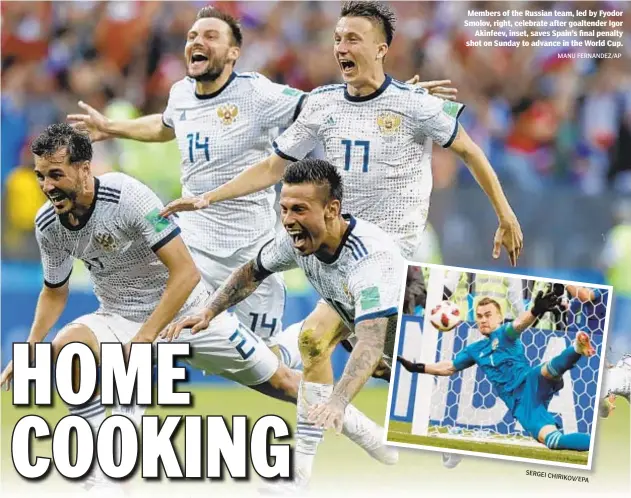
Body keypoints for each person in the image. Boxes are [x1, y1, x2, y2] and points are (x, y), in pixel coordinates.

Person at [160, 0, 522, 406]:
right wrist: (209, 196)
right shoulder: (323, 104)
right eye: (337, 39)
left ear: (382, 47)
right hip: (345, 251)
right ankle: (399, 408)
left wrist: (505, 214)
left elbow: (470, 151)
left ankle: (329, 398)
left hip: (395, 252)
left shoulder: (413, 104)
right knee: (375, 349)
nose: (341, 47)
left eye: (353, 39)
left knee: (325, 338)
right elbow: (271, 167)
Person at [0, 125, 396, 490]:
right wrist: (32, 348)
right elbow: (54, 291)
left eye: (56, 174)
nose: (46, 185)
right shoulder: (47, 225)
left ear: (84, 169)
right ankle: (100, 483)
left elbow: (186, 273)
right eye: (40, 175)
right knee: (68, 353)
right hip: (119, 315)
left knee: (284, 383)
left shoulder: (127, 197)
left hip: (186, 310)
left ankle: (363, 430)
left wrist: (146, 338)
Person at [67, 5, 457, 368]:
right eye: (192, 35)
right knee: (157, 324)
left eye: (210, 36)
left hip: (249, 244)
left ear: (233, 53)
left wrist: (393, 94)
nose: (197, 42)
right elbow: (167, 125)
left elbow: (330, 106)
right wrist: (113, 127)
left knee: (271, 362)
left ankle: (333, 343)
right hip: (196, 239)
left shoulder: (258, 93)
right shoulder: (181, 93)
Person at [164, 158, 404, 489]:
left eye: (299, 210)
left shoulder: (368, 262)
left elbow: (372, 342)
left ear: (332, 210)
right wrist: (209, 311)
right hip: (350, 311)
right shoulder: (297, 241)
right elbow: (252, 271)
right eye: (284, 208)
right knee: (312, 340)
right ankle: (299, 473)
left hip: (408, 334)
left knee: (449, 412)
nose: (289, 220)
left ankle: (390, 437)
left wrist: (338, 402)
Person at [397, 294, 596, 451]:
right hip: (522, 404)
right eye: (480, 316)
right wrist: (418, 368)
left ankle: (576, 349)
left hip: (530, 382)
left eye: (488, 315)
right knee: (553, 440)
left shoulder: (505, 334)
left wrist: (535, 310)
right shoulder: (474, 350)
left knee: (546, 371)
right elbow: (448, 367)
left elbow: (520, 324)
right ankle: (594, 444)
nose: (483, 320)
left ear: (500, 317)